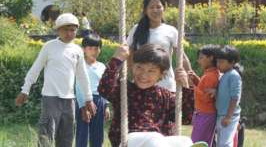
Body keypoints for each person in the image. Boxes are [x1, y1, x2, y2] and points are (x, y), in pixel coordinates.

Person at [15, 13, 96, 147]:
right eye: (66, 29)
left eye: (73, 30)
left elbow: (82, 75)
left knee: (66, 137)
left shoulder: (77, 50)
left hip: (69, 100)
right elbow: (36, 68)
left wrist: (89, 98)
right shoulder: (49, 46)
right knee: (46, 135)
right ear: (58, 30)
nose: (69, 33)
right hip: (51, 98)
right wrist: (25, 90)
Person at [97, 43, 189, 147]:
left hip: (158, 141)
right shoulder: (123, 89)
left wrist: (185, 86)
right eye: (139, 68)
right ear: (132, 66)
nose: (144, 75)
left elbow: (186, 117)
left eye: (151, 71)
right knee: (155, 138)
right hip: (129, 140)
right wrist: (116, 59)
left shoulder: (166, 96)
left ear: (161, 75)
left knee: (185, 141)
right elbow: (104, 88)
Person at [127, 0, 192, 93]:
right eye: (151, 7)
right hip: (142, 83)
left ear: (164, 8)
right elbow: (129, 54)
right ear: (145, 10)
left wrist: (190, 75)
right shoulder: (136, 29)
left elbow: (181, 57)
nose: (155, 10)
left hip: (166, 85)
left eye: (158, 7)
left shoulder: (171, 31)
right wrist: (133, 74)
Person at [75, 33, 110, 147]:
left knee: (97, 134)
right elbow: (78, 86)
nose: (93, 51)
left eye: (96, 48)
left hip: (99, 101)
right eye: (90, 48)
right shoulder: (80, 65)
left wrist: (106, 106)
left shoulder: (102, 66)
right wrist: (83, 106)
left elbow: (104, 88)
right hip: (84, 100)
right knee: (83, 133)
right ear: (84, 49)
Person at [188, 45, 221, 146]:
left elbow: (205, 97)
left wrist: (192, 86)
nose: (199, 61)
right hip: (203, 114)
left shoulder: (211, 76)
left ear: (211, 58)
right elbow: (204, 90)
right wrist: (195, 79)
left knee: (199, 143)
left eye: (201, 57)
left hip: (206, 115)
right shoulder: (209, 74)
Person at [215, 45, 243, 147]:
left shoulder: (234, 76)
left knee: (225, 143)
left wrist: (228, 117)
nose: (218, 64)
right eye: (217, 61)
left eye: (221, 62)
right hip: (221, 114)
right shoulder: (224, 75)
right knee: (221, 143)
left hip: (229, 116)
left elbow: (235, 98)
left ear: (232, 62)